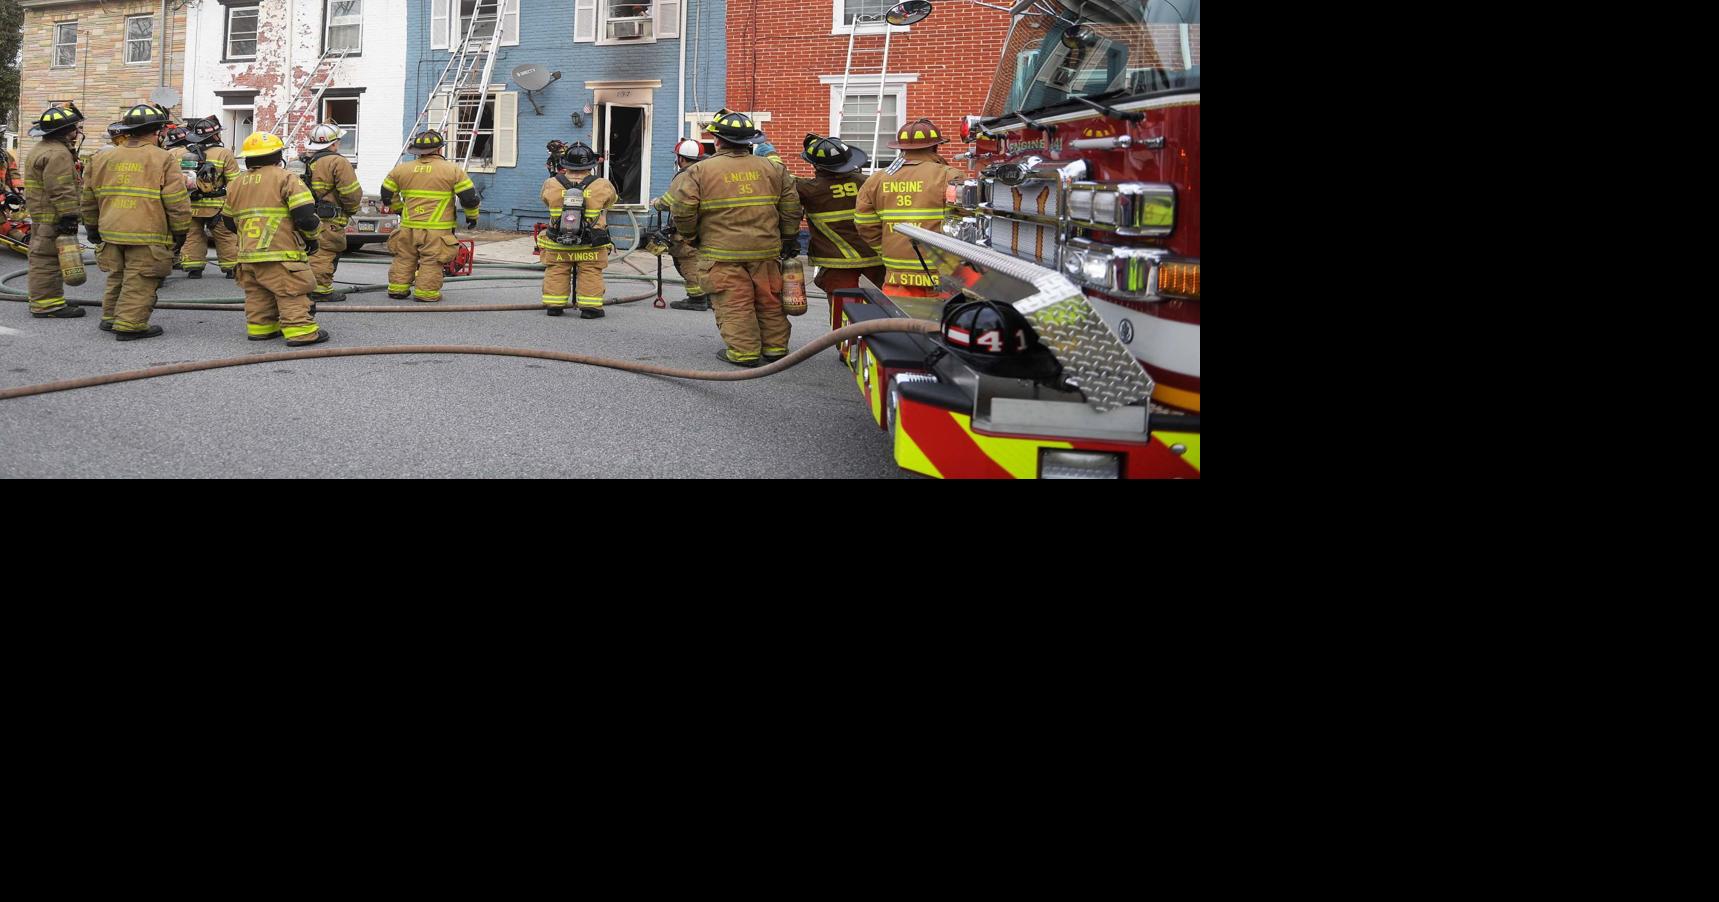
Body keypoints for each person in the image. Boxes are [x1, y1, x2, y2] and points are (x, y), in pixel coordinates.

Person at [669, 109, 802, 367]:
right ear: (750, 141)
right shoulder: (774, 169)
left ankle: (744, 353)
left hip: (721, 253)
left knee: (735, 302)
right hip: (765, 251)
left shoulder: (699, 172)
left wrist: (692, 237)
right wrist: (787, 239)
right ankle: (775, 348)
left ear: (717, 140)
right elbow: (791, 209)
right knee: (769, 299)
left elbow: (683, 211)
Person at [80, 103, 193, 339]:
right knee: (141, 278)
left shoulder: (101, 157)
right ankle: (130, 325)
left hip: (110, 230)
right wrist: (181, 231)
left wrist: (92, 227)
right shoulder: (162, 158)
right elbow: (176, 200)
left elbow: (88, 198)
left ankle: (110, 317)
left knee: (117, 275)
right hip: (147, 232)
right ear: (158, 131)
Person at [219, 132, 327, 346]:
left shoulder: (236, 184)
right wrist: (313, 237)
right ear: (278, 156)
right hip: (282, 253)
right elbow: (305, 217)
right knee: (291, 291)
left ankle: (261, 328)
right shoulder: (287, 178)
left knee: (257, 294)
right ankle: (301, 332)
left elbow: (229, 222)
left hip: (248, 255)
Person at [855, 117, 963, 300]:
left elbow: (864, 224)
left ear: (901, 148)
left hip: (896, 277)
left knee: (899, 326)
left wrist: (885, 249)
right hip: (940, 278)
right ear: (936, 146)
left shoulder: (876, 179)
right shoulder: (950, 176)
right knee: (937, 326)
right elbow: (966, 221)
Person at [379, 130, 479, 302]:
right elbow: (469, 199)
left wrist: (400, 209)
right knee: (432, 261)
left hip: (408, 226)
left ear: (416, 151)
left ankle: (397, 289)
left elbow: (386, 194)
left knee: (404, 257)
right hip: (437, 230)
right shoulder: (453, 171)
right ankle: (426, 293)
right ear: (440, 149)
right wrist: (472, 217)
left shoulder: (401, 170)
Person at [796, 133, 885, 318]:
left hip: (836, 260)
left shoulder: (807, 189)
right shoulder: (870, 182)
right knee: (886, 303)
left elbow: (779, 179)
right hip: (876, 255)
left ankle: (847, 343)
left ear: (816, 165)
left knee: (844, 310)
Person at [20, 105, 86, 318]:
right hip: (53, 215)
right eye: (75, 128)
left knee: (42, 257)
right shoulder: (57, 153)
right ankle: (48, 305)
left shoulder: (42, 148)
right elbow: (60, 187)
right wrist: (68, 215)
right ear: (67, 130)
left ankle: (47, 300)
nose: (77, 131)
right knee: (46, 260)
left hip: (42, 213)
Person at [536, 142, 616, 318]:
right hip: (591, 244)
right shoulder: (602, 185)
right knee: (590, 272)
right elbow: (611, 201)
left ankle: (554, 305)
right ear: (591, 165)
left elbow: (545, 200)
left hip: (558, 242)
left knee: (556, 271)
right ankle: (590, 309)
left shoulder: (551, 183)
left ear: (565, 164)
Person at [302, 123, 364, 304]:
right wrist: (350, 210)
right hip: (328, 219)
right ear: (334, 143)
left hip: (303, 216)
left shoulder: (302, 162)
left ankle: (302, 287)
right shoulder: (338, 162)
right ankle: (320, 291)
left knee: (307, 252)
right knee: (324, 252)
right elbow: (351, 193)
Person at [651, 137, 709, 311]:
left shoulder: (684, 175)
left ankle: (697, 298)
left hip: (687, 228)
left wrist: (656, 203)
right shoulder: (706, 172)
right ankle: (710, 296)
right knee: (704, 262)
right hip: (707, 227)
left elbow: (670, 201)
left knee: (686, 261)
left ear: (681, 158)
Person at [184, 117, 240, 278]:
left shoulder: (187, 154)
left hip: (191, 205)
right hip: (217, 205)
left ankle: (193, 269)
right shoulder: (224, 153)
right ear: (215, 136)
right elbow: (234, 183)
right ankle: (231, 269)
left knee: (192, 235)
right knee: (225, 236)